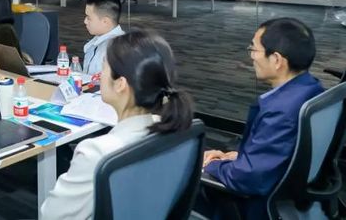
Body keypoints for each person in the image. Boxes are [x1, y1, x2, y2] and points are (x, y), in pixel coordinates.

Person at [41, 30, 194, 220]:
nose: (99, 76)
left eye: (103, 68)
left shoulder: (96, 152)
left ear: (120, 84)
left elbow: (51, 215)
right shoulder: (176, 128)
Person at [198, 18, 324, 218]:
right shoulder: (313, 89)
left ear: (276, 60)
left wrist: (210, 165)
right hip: (290, 189)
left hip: (256, 205)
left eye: (254, 49)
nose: (251, 57)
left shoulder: (280, 111)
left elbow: (247, 179)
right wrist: (239, 157)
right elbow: (283, 151)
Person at [82, 0, 124, 75]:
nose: (85, 21)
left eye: (89, 18)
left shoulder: (117, 49)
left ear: (105, 21)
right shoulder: (99, 39)